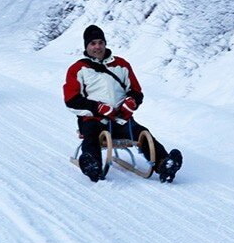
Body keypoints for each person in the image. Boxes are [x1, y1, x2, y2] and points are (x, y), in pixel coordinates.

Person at [63, 24, 183, 183]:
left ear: (105, 43)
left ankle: (164, 164)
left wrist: (131, 102)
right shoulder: (78, 68)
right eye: (93, 43)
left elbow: (136, 91)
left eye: (100, 42)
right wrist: (96, 107)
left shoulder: (121, 64)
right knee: (91, 137)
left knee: (142, 133)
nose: (97, 46)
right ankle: (93, 165)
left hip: (120, 118)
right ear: (86, 46)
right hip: (93, 119)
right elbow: (71, 99)